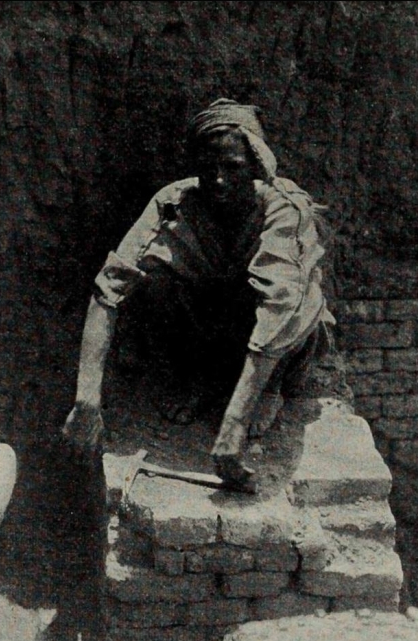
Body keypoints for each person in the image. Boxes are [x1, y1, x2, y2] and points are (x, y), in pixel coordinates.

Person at [61, 98, 335, 487]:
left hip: (268, 330)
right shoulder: (174, 201)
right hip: (212, 323)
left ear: (255, 167)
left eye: (233, 167)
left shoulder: (283, 207)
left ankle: (268, 388)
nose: (219, 180)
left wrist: (234, 424)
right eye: (208, 168)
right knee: (157, 279)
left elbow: (282, 307)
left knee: (301, 303)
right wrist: (86, 401)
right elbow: (110, 287)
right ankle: (197, 377)